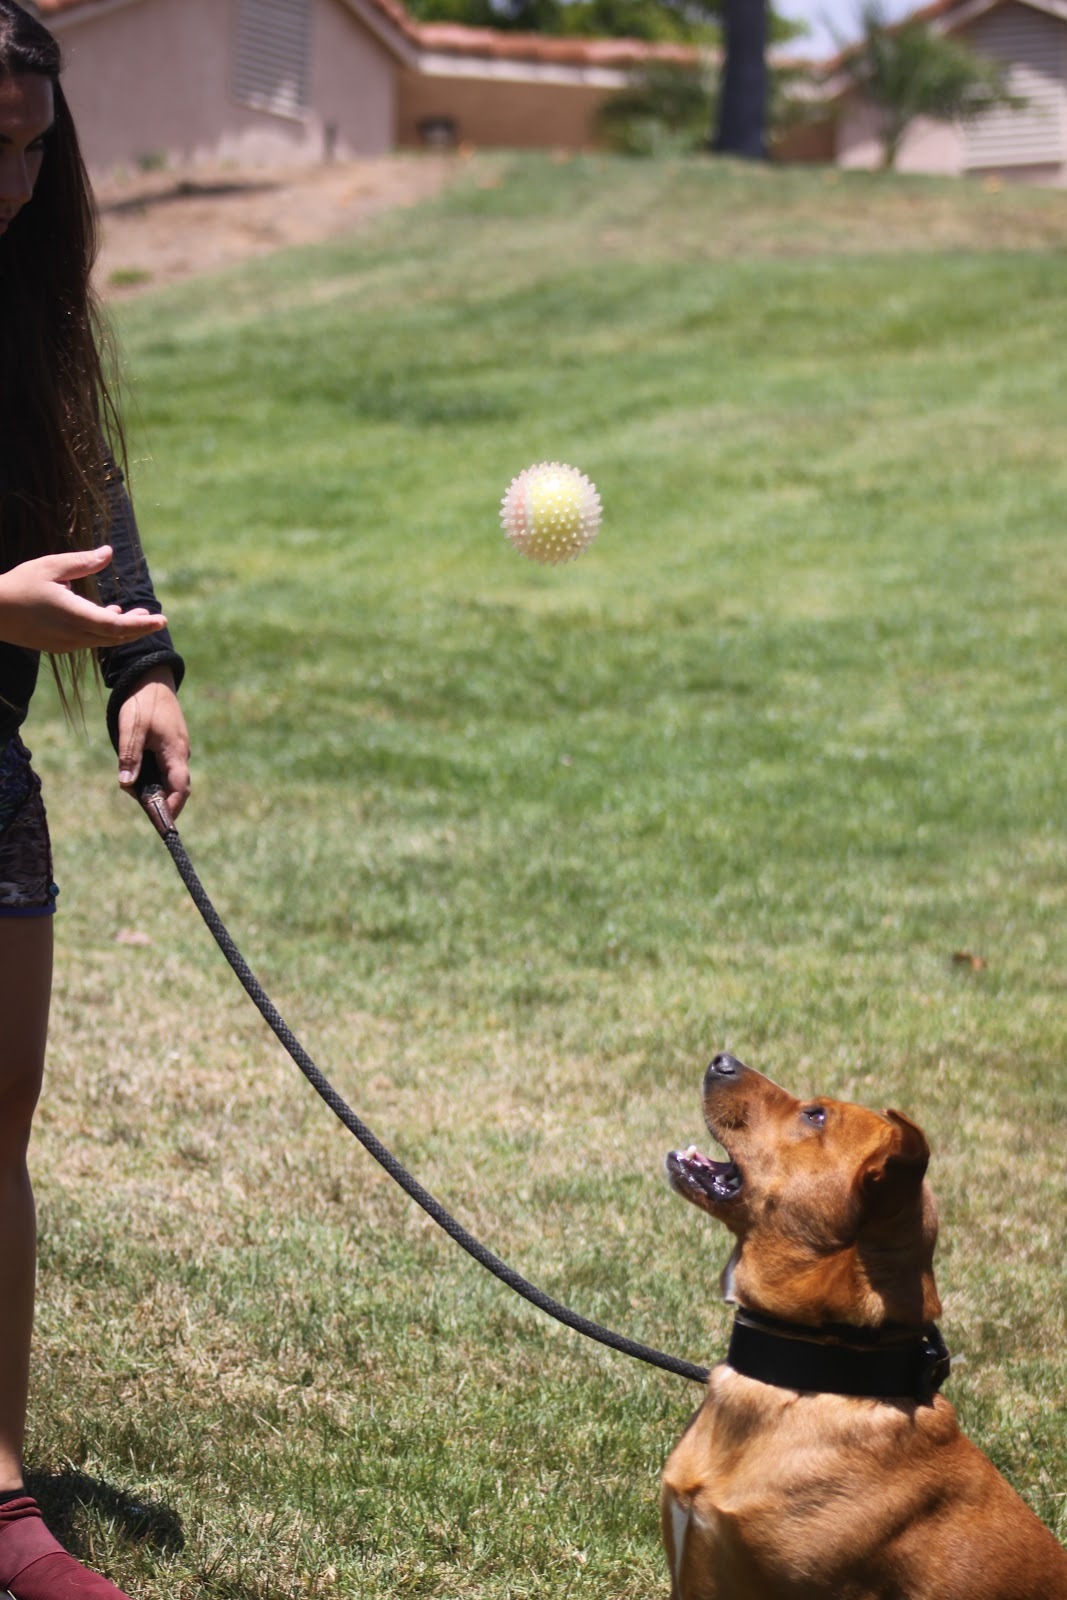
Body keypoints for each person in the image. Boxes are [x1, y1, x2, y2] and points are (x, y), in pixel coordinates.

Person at [0, 4, 190, 1595]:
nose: (10, 181)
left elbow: (84, 469)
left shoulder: (24, 292)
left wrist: (144, 663)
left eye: (28, 146)